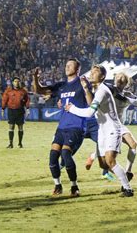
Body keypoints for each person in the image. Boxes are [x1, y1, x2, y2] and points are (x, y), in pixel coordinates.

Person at [65, 65, 134, 197]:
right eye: (91, 71)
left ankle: (128, 189)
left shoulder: (102, 90)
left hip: (112, 129)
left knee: (110, 160)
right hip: (102, 130)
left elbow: (90, 112)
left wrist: (72, 108)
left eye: (95, 72)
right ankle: (125, 176)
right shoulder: (97, 90)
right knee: (103, 165)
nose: (91, 74)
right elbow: (92, 104)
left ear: (102, 76)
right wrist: (85, 88)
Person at [32, 59, 90, 197]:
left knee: (65, 153)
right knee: (53, 156)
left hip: (76, 127)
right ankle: (57, 185)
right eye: (66, 65)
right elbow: (39, 90)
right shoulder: (61, 86)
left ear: (78, 69)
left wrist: (87, 89)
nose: (67, 67)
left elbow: (91, 102)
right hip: (62, 127)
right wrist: (35, 78)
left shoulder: (82, 83)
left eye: (70, 65)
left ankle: (74, 187)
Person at [1, 77, 30, 148]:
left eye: (18, 81)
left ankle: (20, 143)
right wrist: (3, 109)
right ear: (13, 82)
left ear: (19, 82)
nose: (16, 82)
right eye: (15, 81)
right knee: (11, 126)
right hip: (11, 110)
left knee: (20, 127)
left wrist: (28, 108)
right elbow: (4, 100)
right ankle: (11, 143)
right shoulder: (8, 91)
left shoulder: (23, 91)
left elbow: (27, 100)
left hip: (20, 111)